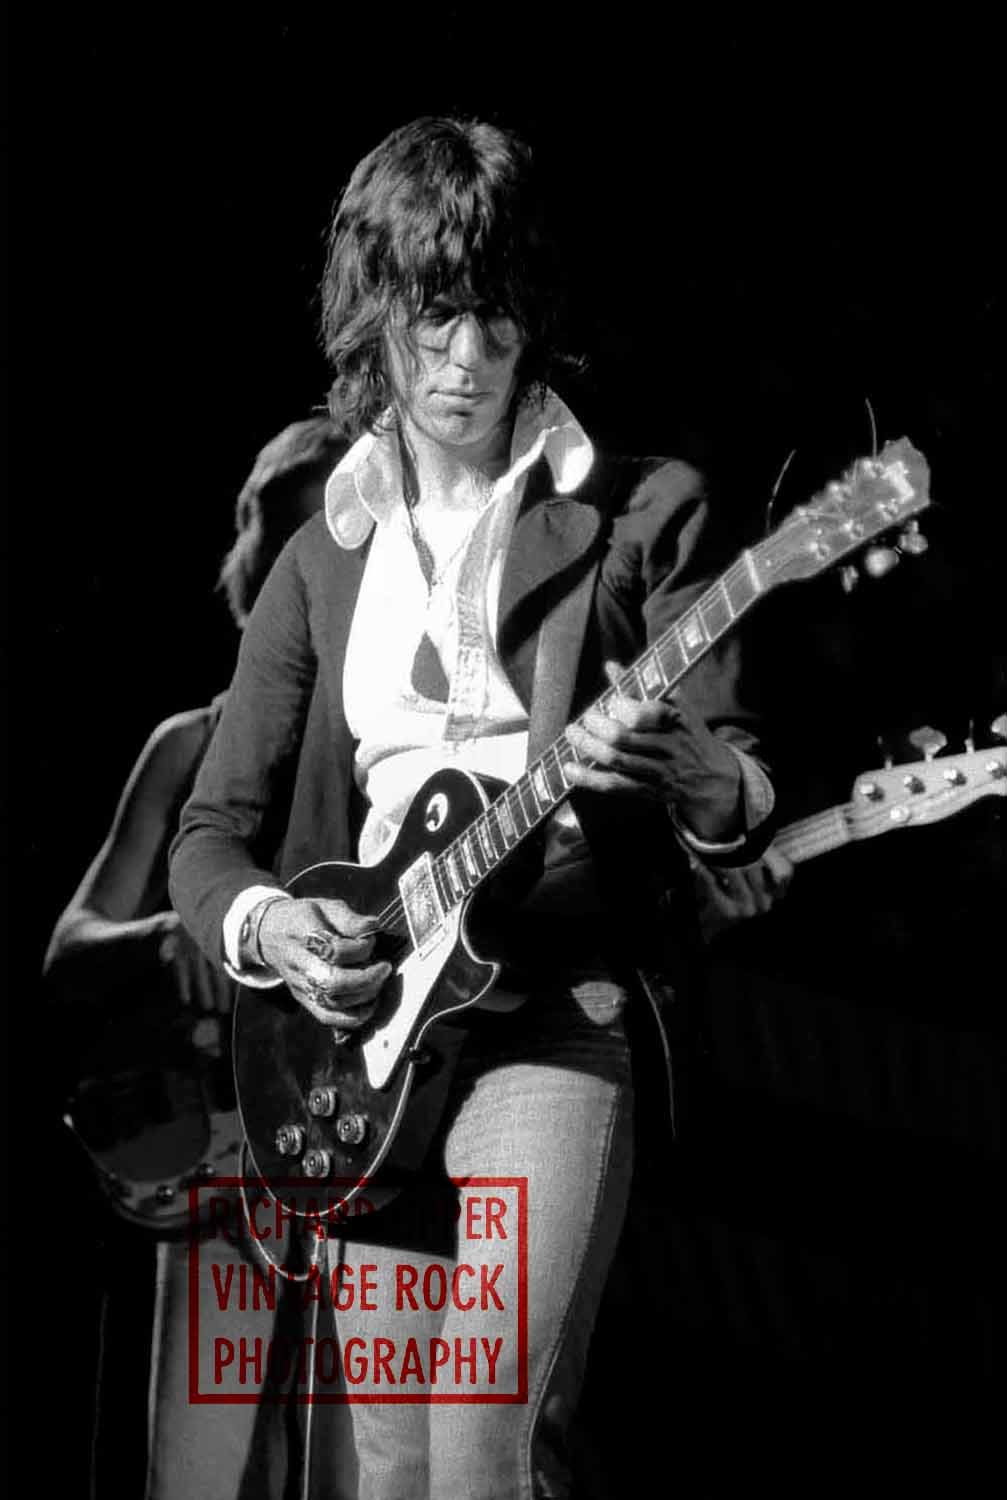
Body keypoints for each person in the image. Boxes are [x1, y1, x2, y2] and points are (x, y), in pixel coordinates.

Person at [168, 116, 776, 1500]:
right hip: (363, 1058)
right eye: (432, 320)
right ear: (374, 319)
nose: (460, 364)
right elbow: (212, 835)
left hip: (555, 1021)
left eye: (493, 325)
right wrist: (274, 927)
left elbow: (736, 778)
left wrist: (703, 784)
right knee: (385, 1477)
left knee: (484, 1453)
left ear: (533, 324)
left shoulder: (639, 515)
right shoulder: (326, 551)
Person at [42, 416, 347, 1500]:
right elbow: (68, 948)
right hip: (222, 1167)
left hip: (360, 1163)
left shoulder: (403, 760)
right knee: (198, 1483)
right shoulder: (188, 742)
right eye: (280, 531)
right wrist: (176, 930)